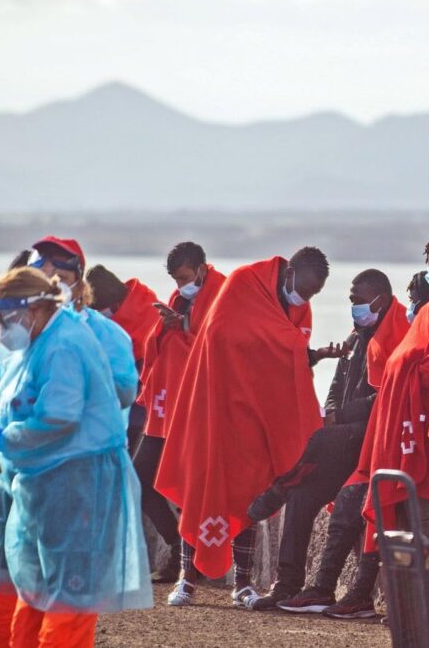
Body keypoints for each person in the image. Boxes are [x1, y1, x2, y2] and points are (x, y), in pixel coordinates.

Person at [0, 267, 151, 647]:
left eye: (6, 317)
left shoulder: (65, 343)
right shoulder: (35, 342)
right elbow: (20, 400)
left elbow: (59, 417)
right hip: (46, 482)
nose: (2, 327)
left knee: (68, 599)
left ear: (34, 309)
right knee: (37, 594)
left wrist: (4, 436)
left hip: (79, 481)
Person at [155, 247, 331, 609]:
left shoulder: (296, 304)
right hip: (216, 408)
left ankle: (243, 582)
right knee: (201, 491)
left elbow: (285, 354)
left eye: (312, 296)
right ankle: (188, 579)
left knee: (250, 492)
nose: (304, 300)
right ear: (289, 273)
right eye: (303, 290)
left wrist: (311, 354)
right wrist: (291, 346)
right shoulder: (244, 283)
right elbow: (222, 335)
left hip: (255, 416)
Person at [245, 268, 410, 613]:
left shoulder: (397, 336)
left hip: (372, 437)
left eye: (358, 300)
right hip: (345, 442)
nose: (353, 306)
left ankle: (279, 488)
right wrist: (335, 409)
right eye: (350, 300)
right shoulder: (357, 337)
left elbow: (389, 396)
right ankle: (286, 584)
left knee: (320, 440)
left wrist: (341, 414)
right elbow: (336, 386)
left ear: (380, 299)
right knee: (303, 497)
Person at [357, 234, 429, 559]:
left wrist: (406, 366)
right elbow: (408, 359)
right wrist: (409, 364)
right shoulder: (428, 311)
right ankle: (428, 595)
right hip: (415, 426)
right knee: (423, 516)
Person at [131, 242, 227, 582]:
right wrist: (175, 324)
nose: (179, 284)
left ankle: (189, 561)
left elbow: (221, 340)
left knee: (188, 484)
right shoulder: (180, 298)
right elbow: (160, 339)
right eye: (174, 279)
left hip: (195, 405)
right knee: (141, 479)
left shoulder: (223, 293)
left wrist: (183, 326)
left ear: (201, 269)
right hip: (164, 405)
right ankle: (178, 547)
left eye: (184, 277)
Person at [28, 237, 138, 408]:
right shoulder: (22, 330)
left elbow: (125, 393)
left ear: (79, 285)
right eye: (42, 278)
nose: (50, 286)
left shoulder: (104, 332)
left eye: (60, 278)